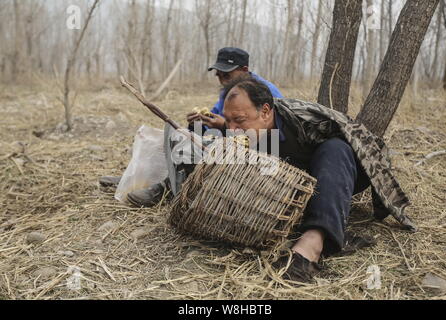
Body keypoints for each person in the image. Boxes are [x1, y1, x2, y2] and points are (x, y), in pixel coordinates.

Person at [209, 77, 415, 283]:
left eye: (240, 120)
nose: (233, 129)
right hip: (296, 177)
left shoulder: (306, 119)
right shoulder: (246, 133)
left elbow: (364, 145)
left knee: (335, 148)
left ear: (265, 112)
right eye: (228, 121)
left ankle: (312, 245)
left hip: (340, 170)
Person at [100, 47, 284, 207]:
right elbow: (215, 121)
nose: (222, 81)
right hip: (226, 142)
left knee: (189, 150)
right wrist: (198, 123)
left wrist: (223, 126)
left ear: (244, 70)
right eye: (219, 76)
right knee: (171, 139)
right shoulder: (230, 92)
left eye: (227, 75)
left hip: (257, 152)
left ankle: (166, 188)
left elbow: (271, 136)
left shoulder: (265, 92)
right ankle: (136, 178)